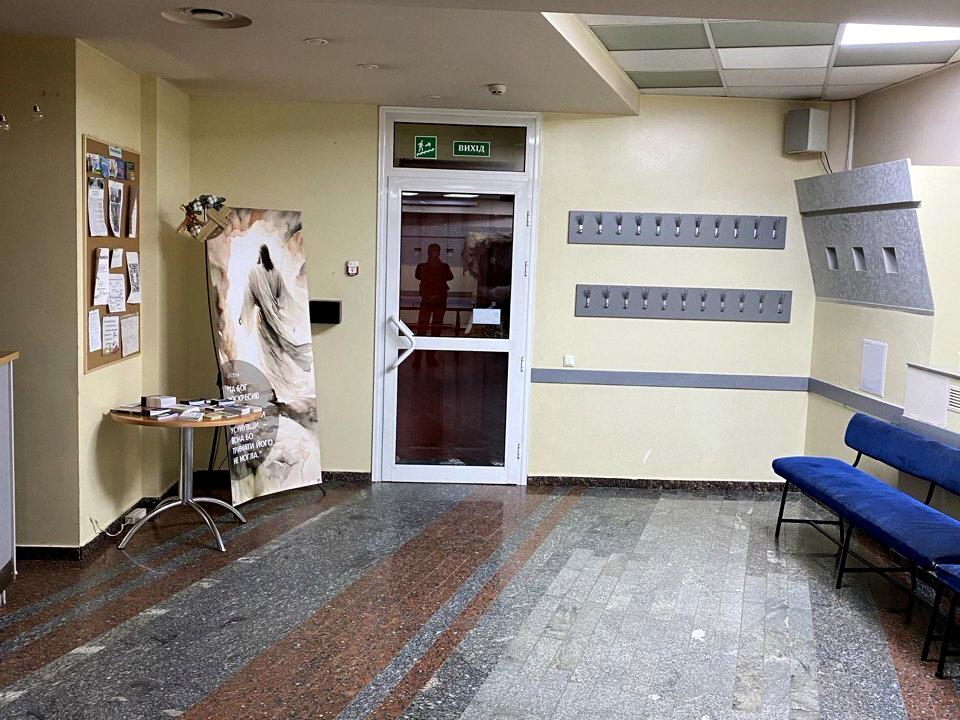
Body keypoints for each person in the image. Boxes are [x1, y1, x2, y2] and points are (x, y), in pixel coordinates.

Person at [415, 243, 453, 337]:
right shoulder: (422, 266)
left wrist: (437, 266)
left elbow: (449, 277)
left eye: (435, 252)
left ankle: (430, 343)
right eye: (432, 251)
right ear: (428, 253)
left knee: (436, 324)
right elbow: (418, 276)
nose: (434, 254)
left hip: (439, 299)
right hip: (427, 299)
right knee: (424, 324)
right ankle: (421, 343)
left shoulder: (444, 267)